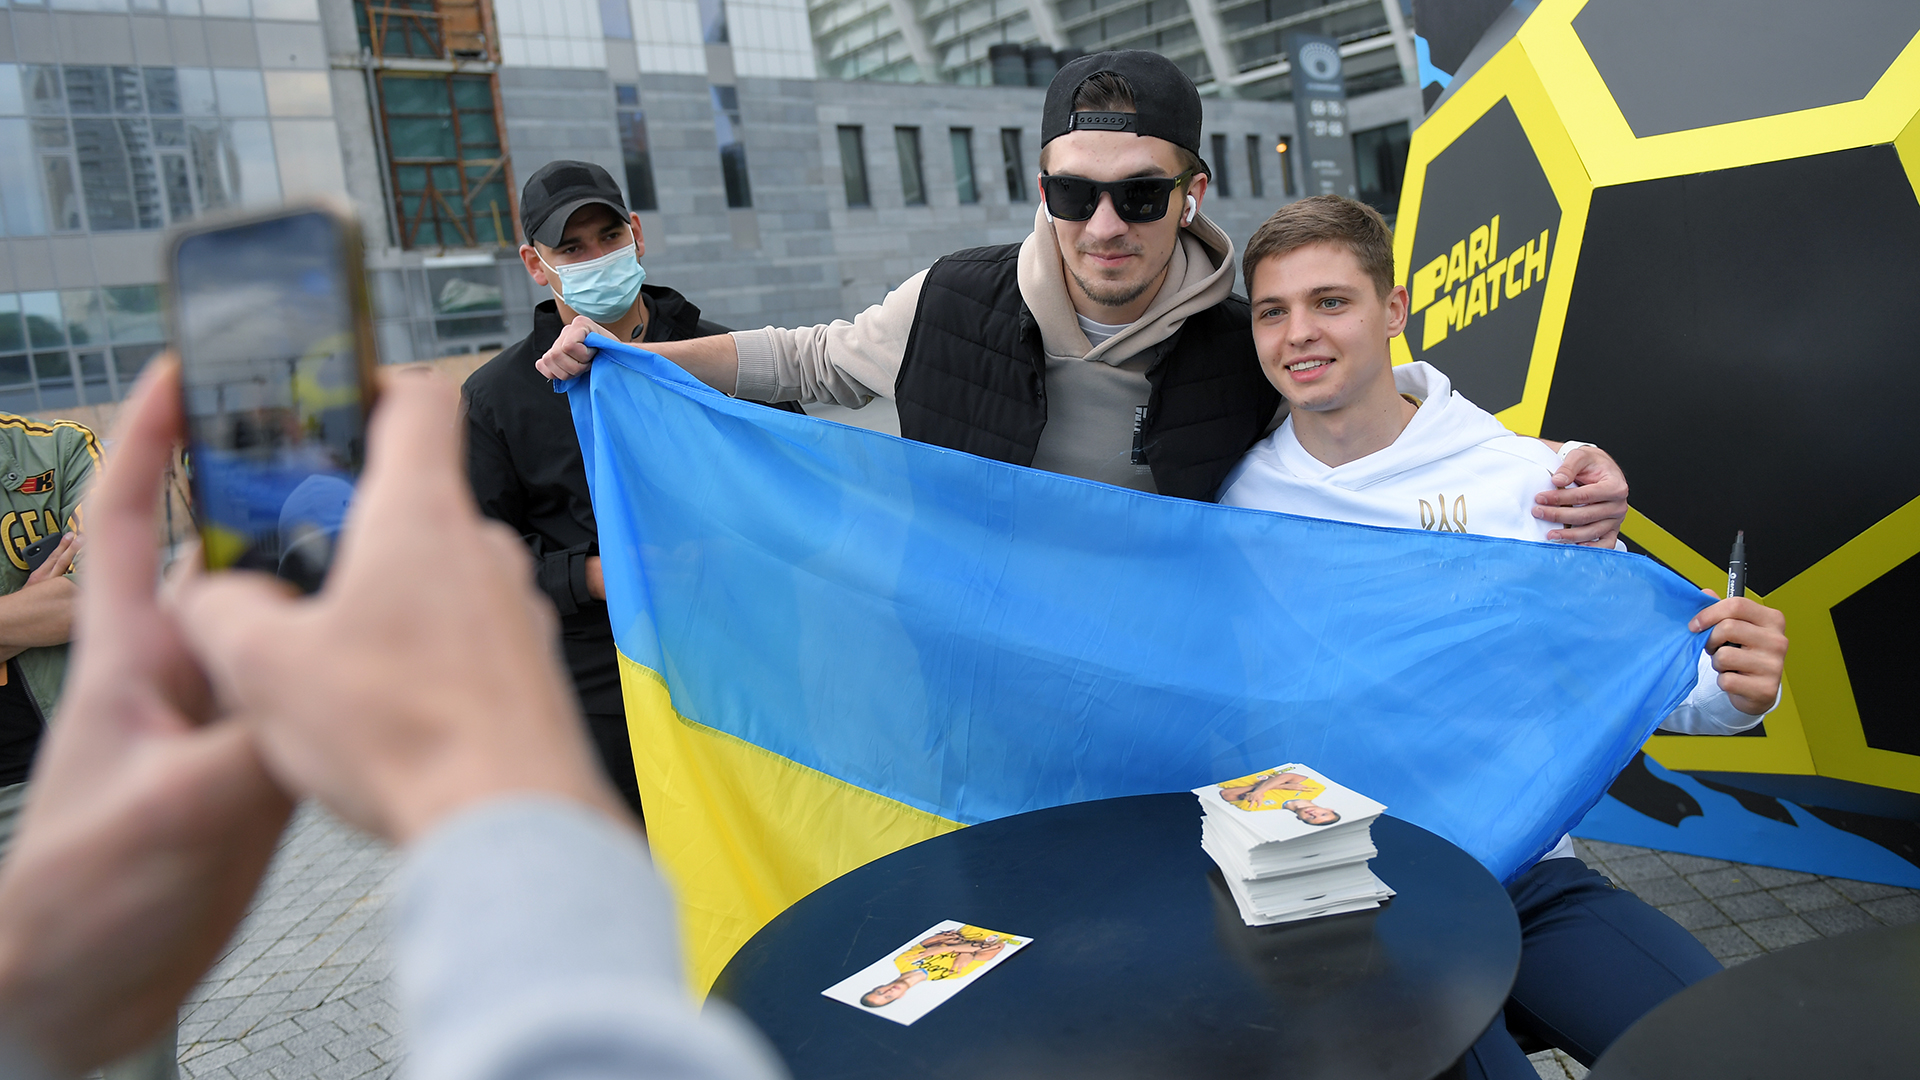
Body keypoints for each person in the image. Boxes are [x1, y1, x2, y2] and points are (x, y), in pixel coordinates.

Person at [0, 362, 784, 1080]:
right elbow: (578, 1053)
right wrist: (488, 782)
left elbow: (86, 600)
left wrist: (33, 1009)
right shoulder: (486, 404)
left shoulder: (54, 451)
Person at [534, 51, 1633, 544]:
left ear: (1193, 192)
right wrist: (629, 360)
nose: (1105, 224)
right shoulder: (951, 299)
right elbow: (802, 358)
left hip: (1160, 689)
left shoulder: (1247, 335)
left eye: (1141, 194)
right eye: (1074, 191)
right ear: (1041, 189)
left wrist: (1552, 473)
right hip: (976, 672)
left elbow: (1369, 420)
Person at [1216, 195, 1790, 1079]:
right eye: (1272, 311)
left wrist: (1741, 687)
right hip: (1343, 895)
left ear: (1393, 309)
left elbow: (1652, 682)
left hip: (1524, 873)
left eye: (1331, 301)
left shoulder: (1528, 480)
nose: (1300, 333)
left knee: (1736, 1052)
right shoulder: (1236, 504)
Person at [464, 160, 800, 822]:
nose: (598, 258)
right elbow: (473, 563)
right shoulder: (499, 398)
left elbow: (800, 490)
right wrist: (595, 575)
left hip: (743, 668)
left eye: (609, 237)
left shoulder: (723, 357)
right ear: (536, 264)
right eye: (572, 248)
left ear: (637, 235)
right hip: (603, 696)